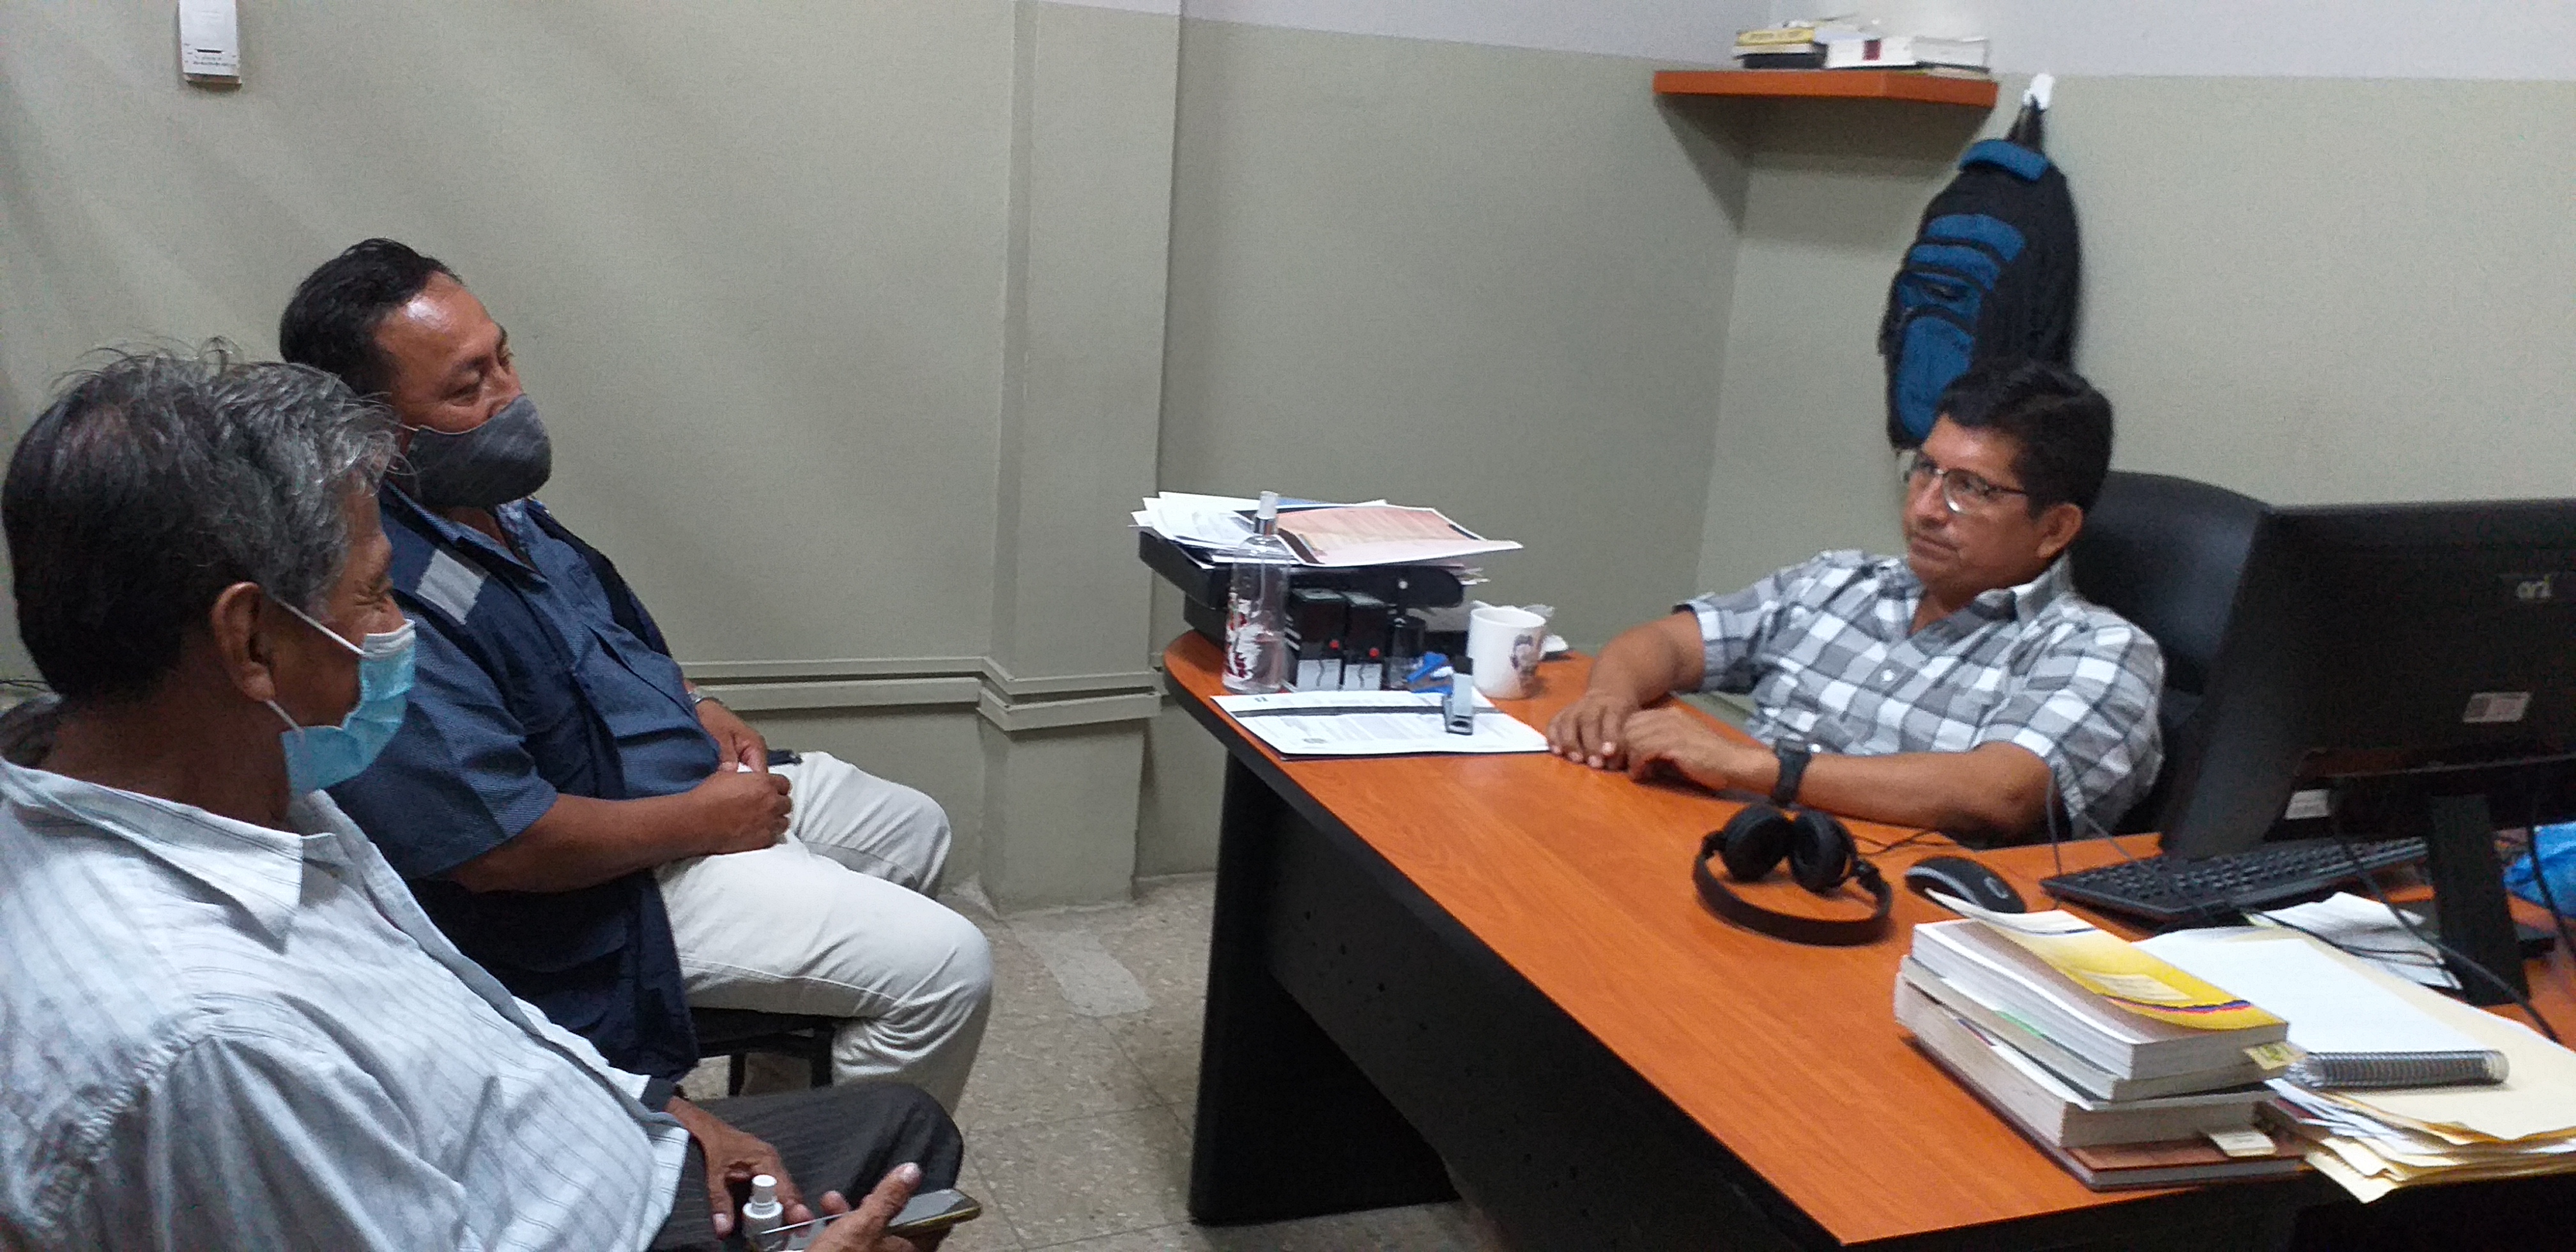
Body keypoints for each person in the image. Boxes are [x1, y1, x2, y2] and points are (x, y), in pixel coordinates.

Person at [0, 347, 960, 1251]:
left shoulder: (231, 782)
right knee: (908, 1132)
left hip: (569, 1140)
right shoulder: (214, 1045)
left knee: (902, 1124)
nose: (400, 629)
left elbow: (461, 999)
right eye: (375, 595)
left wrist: (654, 1106)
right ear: (251, 642)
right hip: (564, 1219)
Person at [276, 240, 990, 1104]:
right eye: (468, 388)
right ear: (377, 436)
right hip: (605, 882)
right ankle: (842, 1186)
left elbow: (597, 635)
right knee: (947, 969)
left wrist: (697, 703)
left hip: (676, 779)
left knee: (912, 829)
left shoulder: (495, 506)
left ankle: (784, 1116)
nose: (510, 395)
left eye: (503, 357)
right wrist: (702, 820)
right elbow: (501, 850)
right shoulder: (390, 592)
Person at [1549, 360, 2163, 839]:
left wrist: (1750, 767)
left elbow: (2000, 792)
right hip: (1724, 845)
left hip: (1878, 908)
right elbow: (1666, 644)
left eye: (1970, 489)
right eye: (1925, 470)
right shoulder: (1842, 581)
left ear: (2054, 528)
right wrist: (1609, 698)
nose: (1926, 509)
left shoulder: (2099, 650)